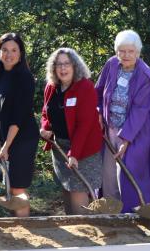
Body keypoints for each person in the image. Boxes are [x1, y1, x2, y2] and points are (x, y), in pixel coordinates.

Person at [95, 30, 150, 213]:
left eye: (130, 51)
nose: (126, 55)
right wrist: (97, 111)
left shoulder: (145, 74)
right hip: (109, 129)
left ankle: (132, 216)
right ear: (116, 51)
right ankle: (111, 214)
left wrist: (126, 140)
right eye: (122, 51)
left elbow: (140, 110)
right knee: (108, 175)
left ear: (138, 52)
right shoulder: (112, 65)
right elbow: (97, 91)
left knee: (129, 178)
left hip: (133, 134)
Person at [40, 48, 103, 215]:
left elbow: (85, 124)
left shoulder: (85, 87)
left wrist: (74, 153)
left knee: (77, 190)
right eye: (58, 64)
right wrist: (45, 127)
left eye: (66, 63)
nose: (63, 68)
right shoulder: (51, 88)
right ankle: (73, 229)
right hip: (60, 147)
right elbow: (46, 113)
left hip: (83, 149)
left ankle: (86, 231)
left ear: (75, 66)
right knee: (66, 188)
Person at [0, 33, 38, 217]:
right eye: (4, 50)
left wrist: (6, 146)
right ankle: (18, 224)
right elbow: (5, 105)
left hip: (21, 139)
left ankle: (24, 226)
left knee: (17, 187)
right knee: (11, 185)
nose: (9, 54)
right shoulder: (0, 77)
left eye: (14, 50)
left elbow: (18, 117)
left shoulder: (24, 78)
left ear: (20, 53)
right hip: (8, 139)